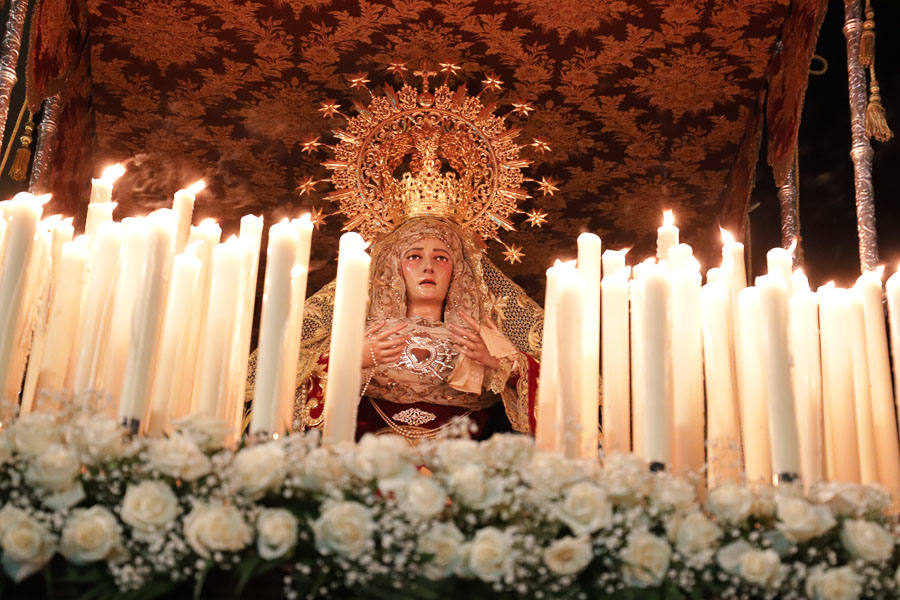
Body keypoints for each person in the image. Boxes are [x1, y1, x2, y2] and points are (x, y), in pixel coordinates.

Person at [290, 216, 542, 441]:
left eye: (441, 258)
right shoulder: (361, 334)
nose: (428, 267)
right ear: (393, 268)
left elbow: (551, 393)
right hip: (369, 458)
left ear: (457, 271)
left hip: (462, 463)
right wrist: (352, 359)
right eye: (414, 256)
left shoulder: (480, 337)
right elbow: (293, 385)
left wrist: (500, 363)